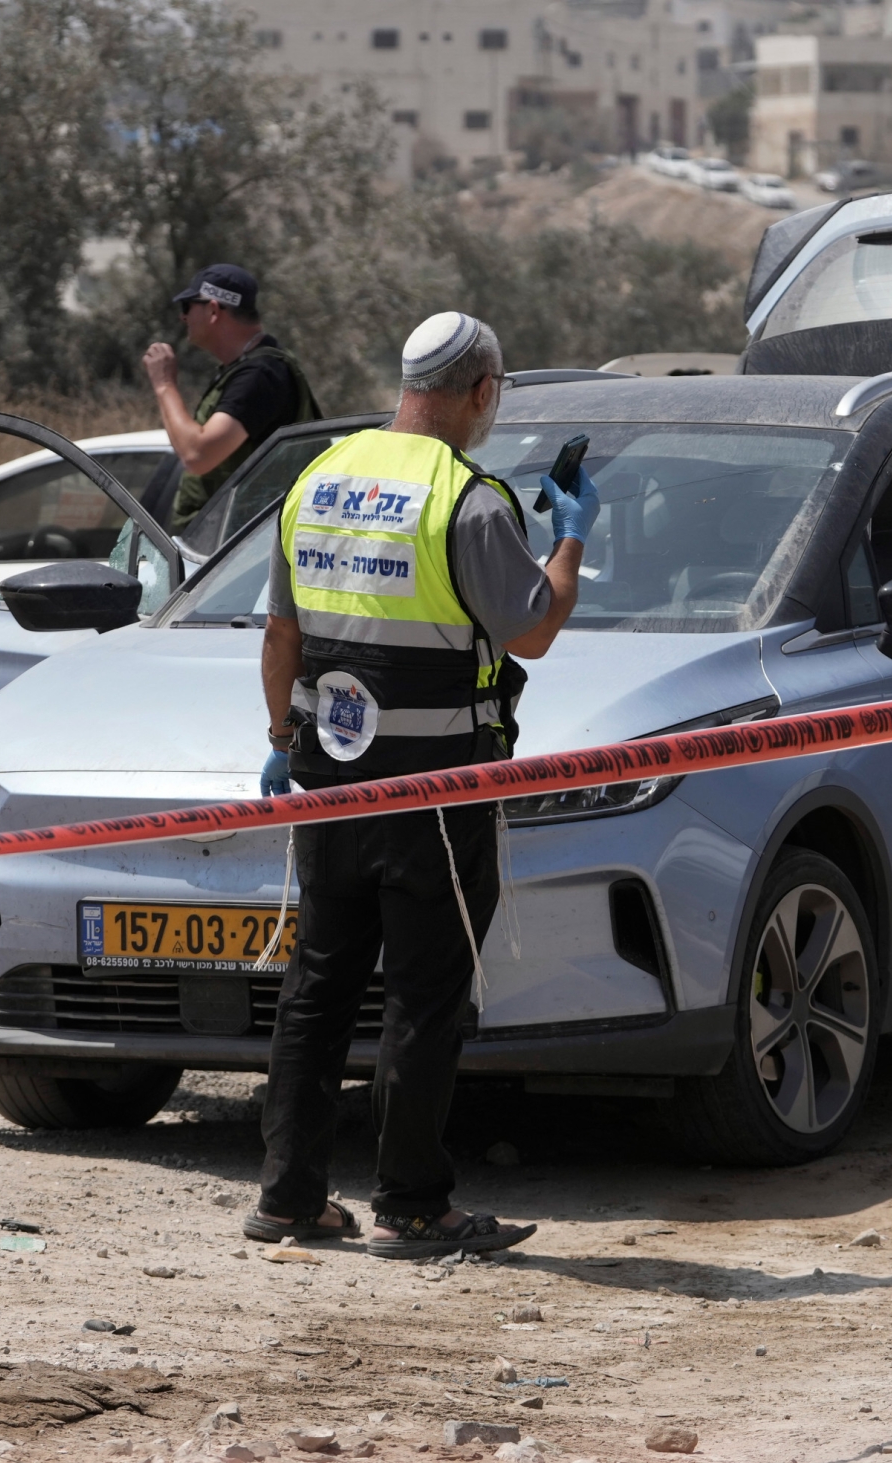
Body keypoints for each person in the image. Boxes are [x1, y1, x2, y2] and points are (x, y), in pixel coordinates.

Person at [247, 312, 596, 1260]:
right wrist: (570, 538)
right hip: (435, 799)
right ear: (479, 392)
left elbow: (282, 636)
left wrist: (284, 734)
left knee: (317, 985)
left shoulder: (318, 476)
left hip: (329, 782)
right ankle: (412, 1206)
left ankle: (287, 1198)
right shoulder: (469, 498)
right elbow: (532, 629)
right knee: (424, 997)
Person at [142, 264, 321, 531]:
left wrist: (164, 384)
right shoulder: (249, 369)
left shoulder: (260, 374)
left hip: (241, 548)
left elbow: (197, 454)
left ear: (213, 310)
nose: (184, 318)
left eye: (188, 307)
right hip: (232, 544)